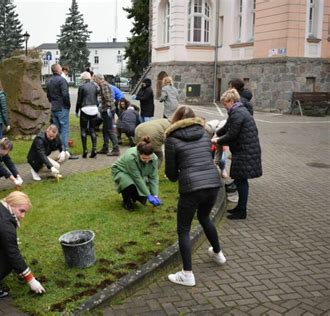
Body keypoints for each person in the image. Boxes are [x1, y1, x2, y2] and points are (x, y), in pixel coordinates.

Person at [164, 105, 225, 287]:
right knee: (205, 217)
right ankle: (218, 253)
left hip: (191, 188)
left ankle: (187, 274)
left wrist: (177, 175)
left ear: (175, 119)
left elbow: (172, 174)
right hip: (213, 184)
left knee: (183, 229)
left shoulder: (171, 140)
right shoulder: (205, 134)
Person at [212, 89, 262, 220]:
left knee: (241, 181)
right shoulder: (237, 111)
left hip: (245, 151)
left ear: (232, 101)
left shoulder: (238, 113)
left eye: (225, 103)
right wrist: (216, 133)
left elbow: (232, 134)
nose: (224, 106)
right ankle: (240, 208)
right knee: (240, 179)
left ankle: (242, 211)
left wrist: (217, 140)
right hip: (245, 150)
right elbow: (227, 127)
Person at [111, 136, 161, 211]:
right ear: (139, 154)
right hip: (121, 170)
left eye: (149, 159)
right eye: (144, 158)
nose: (147, 161)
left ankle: (133, 197)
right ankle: (126, 202)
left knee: (139, 189)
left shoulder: (154, 158)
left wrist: (155, 195)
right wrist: (148, 195)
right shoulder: (130, 157)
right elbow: (137, 177)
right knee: (128, 182)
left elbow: (153, 177)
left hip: (137, 172)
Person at [47, 64, 78, 159]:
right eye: (60, 67)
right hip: (62, 107)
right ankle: (65, 151)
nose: (61, 69)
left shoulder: (49, 81)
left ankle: (59, 150)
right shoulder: (62, 80)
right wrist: (68, 105)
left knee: (57, 130)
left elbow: (48, 95)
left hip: (54, 107)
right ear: (58, 70)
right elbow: (65, 94)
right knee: (64, 130)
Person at [94, 73, 120, 156]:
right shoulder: (104, 85)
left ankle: (116, 149)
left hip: (108, 110)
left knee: (109, 129)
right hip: (107, 110)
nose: (95, 81)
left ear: (98, 79)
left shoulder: (103, 85)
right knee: (105, 129)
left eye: (95, 79)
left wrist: (107, 109)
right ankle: (105, 147)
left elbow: (108, 98)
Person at [76, 71, 99, 158]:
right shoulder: (95, 86)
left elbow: (79, 100)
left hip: (85, 108)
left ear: (83, 78)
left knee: (83, 130)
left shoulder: (81, 87)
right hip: (94, 108)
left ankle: (85, 150)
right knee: (92, 129)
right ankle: (94, 149)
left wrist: (76, 110)